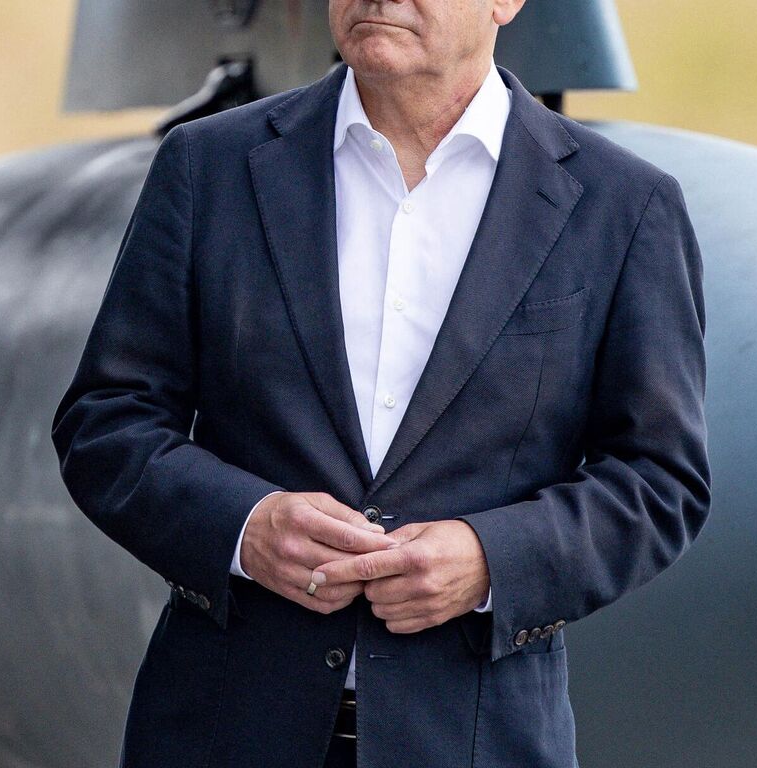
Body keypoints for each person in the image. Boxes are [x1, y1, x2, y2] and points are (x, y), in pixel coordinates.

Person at [49, 1, 711, 765]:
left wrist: (491, 560)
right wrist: (246, 528)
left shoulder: (626, 207)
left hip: (475, 744)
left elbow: (662, 482)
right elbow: (106, 422)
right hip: (223, 734)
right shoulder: (208, 166)